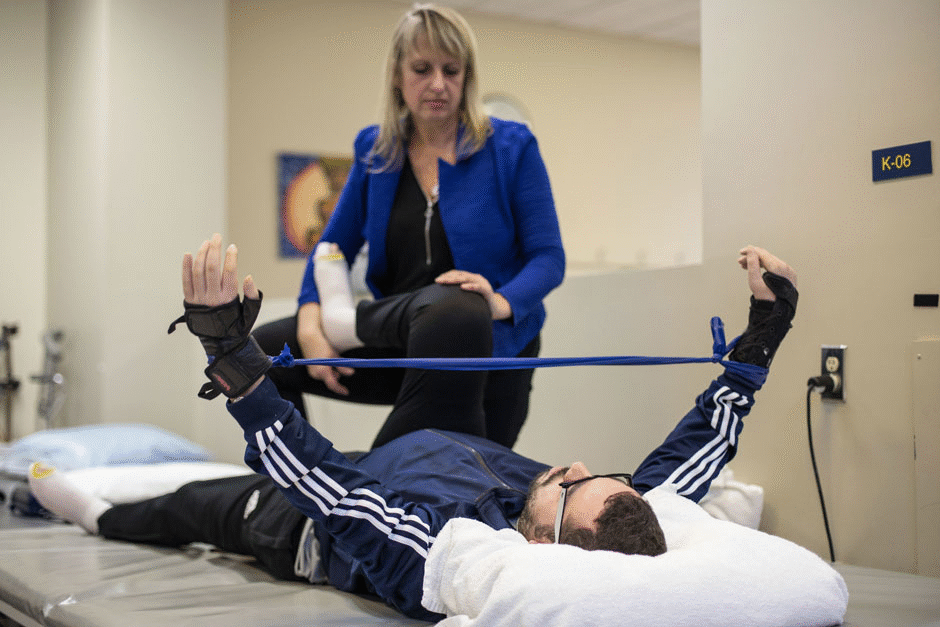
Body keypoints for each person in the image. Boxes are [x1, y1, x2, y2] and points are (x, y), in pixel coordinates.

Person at [29, 238, 797, 622]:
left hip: (306, 518)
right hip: (431, 442)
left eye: (570, 481)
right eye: (599, 473)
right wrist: (764, 333)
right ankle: (330, 313)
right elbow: (692, 454)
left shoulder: (450, 552)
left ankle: (98, 507)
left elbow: (325, 482)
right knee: (457, 316)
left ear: (540, 541)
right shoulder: (608, 510)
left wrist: (231, 357)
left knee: (191, 503)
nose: (574, 463)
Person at [252, 3, 565, 449]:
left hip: (490, 351)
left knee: (469, 484)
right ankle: (294, 484)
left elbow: (549, 258)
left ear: (467, 77)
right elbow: (332, 246)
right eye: (422, 69)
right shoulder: (376, 151)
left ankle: (352, 497)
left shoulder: (512, 147)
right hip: (402, 339)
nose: (438, 84)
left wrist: (496, 302)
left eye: (451, 70)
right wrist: (309, 323)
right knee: (266, 354)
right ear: (397, 75)